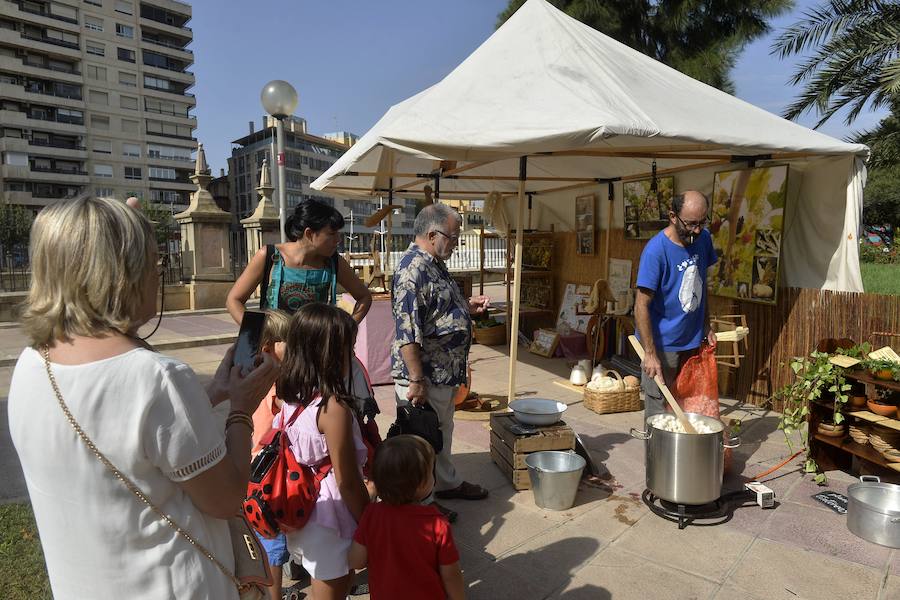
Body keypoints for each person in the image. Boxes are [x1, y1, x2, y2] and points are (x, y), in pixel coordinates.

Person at [8, 196, 279, 599]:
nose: (159, 271)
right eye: (153, 260)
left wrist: (218, 392)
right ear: (120, 273)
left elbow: (131, 438)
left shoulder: (32, 363)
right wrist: (240, 408)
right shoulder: (157, 377)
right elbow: (225, 497)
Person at [391, 203, 491, 520]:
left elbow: (437, 306)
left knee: (443, 432)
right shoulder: (411, 270)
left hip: (444, 373)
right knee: (423, 442)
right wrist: (417, 380)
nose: (456, 242)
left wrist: (465, 305)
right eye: (454, 236)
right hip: (426, 376)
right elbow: (407, 332)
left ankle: (445, 483)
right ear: (433, 234)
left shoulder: (434, 263)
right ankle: (422, 500)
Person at [274, 303, 370, 600]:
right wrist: (369, 520)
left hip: (304, 508)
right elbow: (348, 481)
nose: (352, 357)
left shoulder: (290, 395)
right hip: (332, 516)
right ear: (327, 355)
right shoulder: (333, 409)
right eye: (348, 349)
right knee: (333, 587)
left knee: (325, 580)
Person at [349, 435, 465, 600]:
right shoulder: (437, 523)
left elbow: (356, 561)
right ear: (422, 484)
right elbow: (451, 574)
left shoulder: (371, 515)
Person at [634, 190, 718, 418]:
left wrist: (706, 324)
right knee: (659, 413)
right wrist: (650, 353)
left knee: (690, 405)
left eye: (702, 222)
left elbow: (701, 285)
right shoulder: (656, 251)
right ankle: (657, 455)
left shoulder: (704, 239)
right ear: (673, 216)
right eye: (691, 224)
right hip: (663, 346)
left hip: (692, 340)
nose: (697, 230)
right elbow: (641, 305)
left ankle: (686, 454)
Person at [226, 198, 372, 325]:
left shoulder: (333, 261)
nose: (338, 240)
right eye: (332, 234)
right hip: (275, 350)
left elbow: (364, 297)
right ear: (309, 234)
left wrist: (348, 328)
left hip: (316, 350)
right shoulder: (270, 256)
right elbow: (234, 300)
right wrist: (255, 333)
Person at [249, 309, 304, 600]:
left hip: (254, 467)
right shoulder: (277, 383)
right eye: (289, 342)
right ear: (270, 347)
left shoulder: (252, 375)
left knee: (265, 534)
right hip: (270, 474)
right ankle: (274, 596)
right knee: (273, 542)